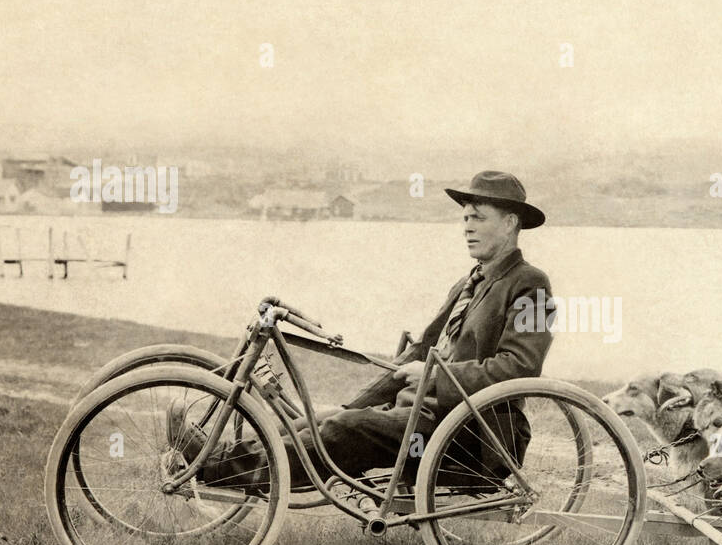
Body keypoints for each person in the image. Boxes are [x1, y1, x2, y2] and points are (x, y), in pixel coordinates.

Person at [166, 170, 555, 490]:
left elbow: (520, 368)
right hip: (426, 420)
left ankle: (211, 469)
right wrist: (355, 404)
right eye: (465, 217)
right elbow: (418, 355)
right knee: (324, 422)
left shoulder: (530, 284)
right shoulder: (470, 281)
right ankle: (212, 454)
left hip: (474, 437)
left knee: (344, 429)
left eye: (478, 217)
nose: (467, 227)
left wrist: (434, 376)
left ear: (509, 223)